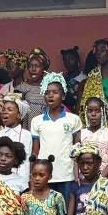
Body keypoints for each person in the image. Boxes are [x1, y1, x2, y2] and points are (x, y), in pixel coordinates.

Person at [31, 72, 82, 202]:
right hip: (44, 175)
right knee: (46, 209)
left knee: (65, 208)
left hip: (67, 174)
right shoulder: (37, 121)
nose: (50, 95)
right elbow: (35, 152)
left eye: (55, 92)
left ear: (63, 95)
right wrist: (33, 176)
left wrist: (77, 174)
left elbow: (77, 150)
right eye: (47, 92)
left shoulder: (73, 119)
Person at [0, 92, 33, 182]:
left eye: (9, 109)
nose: (5, 112)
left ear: (19, 115)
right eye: (3, 109)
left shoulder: (26, 135)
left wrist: (26, 182)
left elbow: (26, 161)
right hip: (1, 181)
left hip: (20, 181)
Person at [80, 97, 108, 177]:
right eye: (90, 111)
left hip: (106, 178)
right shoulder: (80, 134)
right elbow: (76, 161)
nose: (93, 114)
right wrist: (77, 179)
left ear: (102, 112)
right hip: (84, 178)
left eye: (97, 111)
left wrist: (100, 179)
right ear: (85, 113)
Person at [60, 47, 86, 111]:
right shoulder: (62, 79)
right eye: (65, 60)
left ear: (77, 60)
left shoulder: (85, 79)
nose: (67, 62)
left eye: (71, 59)